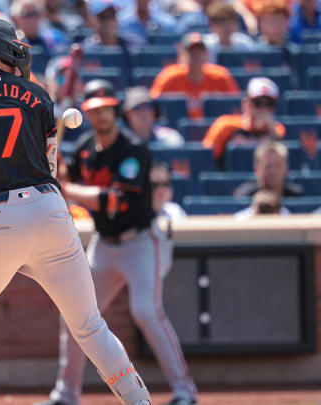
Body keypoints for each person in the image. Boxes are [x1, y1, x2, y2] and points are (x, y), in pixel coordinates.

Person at [0, 17, 152, 405]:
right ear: (2, 49)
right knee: (91, 326)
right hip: (49, 209)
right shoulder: (37, 94)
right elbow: (49, 168)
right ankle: (139, 399)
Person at [38, 82, 197, 405]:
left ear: (116, 111)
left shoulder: (134, 150)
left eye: (106, 109)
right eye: (95, 110)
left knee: (146, 311)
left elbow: (114, 201)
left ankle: (184, 392)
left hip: (139, 239)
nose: (101, 115)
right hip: (104, 244)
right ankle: (66, 394)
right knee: (76, 314)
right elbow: (68, 176)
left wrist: (66, 187)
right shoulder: (85, 148)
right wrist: (57, 170)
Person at [150, 32, 240, 120]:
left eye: (200, 51)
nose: (196, 55)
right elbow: (153, 108)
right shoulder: (169, 77)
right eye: (191, 51)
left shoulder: (221, 76)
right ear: (181, 55)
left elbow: (236, 109)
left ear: (206, 55)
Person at [203, 76, 284, 168]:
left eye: (269, 104)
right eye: (257, 103)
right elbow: (205, 159)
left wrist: (272, 133)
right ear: (245, 104)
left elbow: (282, 166)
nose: (263, 109)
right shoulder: (225, 126)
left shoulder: (277, 130)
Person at [11, 0, 70, 74]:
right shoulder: (11, 44)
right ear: (15, 18)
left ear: (42, 15)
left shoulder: (55, 39)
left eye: (35, 14)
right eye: (27, 15)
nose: (32, 19)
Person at [233, 139, 303, 198]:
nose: (272, 171)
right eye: (267, 166)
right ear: (256, 169)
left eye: (277, 166)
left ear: (286, 168)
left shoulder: (297, 196)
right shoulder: (245, 196)